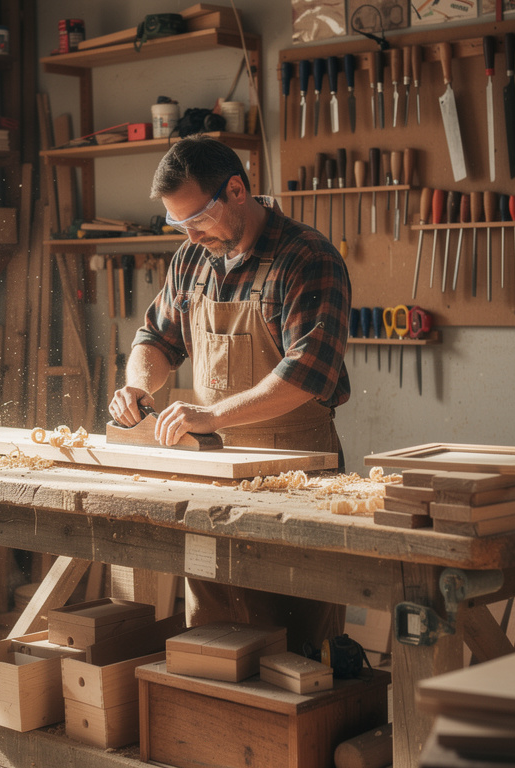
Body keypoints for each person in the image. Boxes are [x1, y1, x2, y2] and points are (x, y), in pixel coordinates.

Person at [107, 135, 351, 652]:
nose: (191, 235)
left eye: (197, 219)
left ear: (236, 190)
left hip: (294, 473)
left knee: (297, 635)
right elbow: (155, 338)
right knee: (216, 634)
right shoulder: (192, 261)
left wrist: (212, 416)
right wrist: (136, 386)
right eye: (179, 226)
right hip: (212, 471)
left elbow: (308, 372)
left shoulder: (307, 258)